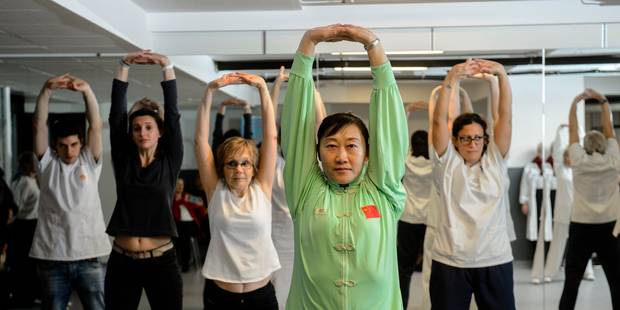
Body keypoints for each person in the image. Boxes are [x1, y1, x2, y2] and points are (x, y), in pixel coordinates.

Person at [281, 24, 408, 309]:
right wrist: (309, 41)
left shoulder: (384, 189)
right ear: (317, 152)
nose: (341, 156)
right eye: (330, 145)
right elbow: (295, 122)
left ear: (367, 154)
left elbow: (389, 125)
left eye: (351, 146)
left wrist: (372, 44)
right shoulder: (305, 188)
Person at [430, 58, 515, 309]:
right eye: (465, 139)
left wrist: (501, 75)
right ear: (455, 141)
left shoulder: (495, 161)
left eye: (478, 138)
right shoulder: (447, 164)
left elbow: (505, 118)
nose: (472, 143)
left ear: (485, 139)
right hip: (451, 262)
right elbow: (439, 122)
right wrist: (451, 79)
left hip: (494, 259)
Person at [105, 50, 183, 310]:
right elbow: (116, 117)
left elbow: (172, 114)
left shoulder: (170, 162)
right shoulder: (124, 161)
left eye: (149, 127)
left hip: (161, 262)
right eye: (137, 128)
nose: (142, 132)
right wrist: (124, 64)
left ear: (160, 132)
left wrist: (167, 65)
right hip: (121, 261)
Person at [195, 71, 279, 309]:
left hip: (260, 295)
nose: (239, 169)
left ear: (254, 167)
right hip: (221, 297)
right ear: (223, 168)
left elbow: (271, 138)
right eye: (231, 163)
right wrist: (209, 91)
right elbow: (201, 143)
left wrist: (263, 89)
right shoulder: (216, 191)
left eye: (244, 163)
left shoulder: (262, 188)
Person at [31, 74, 111, 310]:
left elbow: (95, 126)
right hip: (53, 258)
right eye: (63, 146)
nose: (69, 151)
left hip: (89, 257)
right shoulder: (47, 165)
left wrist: (87, 91)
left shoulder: (88, 161)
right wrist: (46, 90)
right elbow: (39, 125)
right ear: (55, 146)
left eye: (74, 144)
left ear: (81, 144)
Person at [559, 89, 620, 310]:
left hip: (582, 227)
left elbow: (573, 130)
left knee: (572, 283)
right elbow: (610, 129)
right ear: (605, 144)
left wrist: (575, 103)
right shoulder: (614, 158)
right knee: (616, 283)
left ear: (585, 146)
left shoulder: (578, 160)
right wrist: (603, 101)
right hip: (610, 228)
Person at [544, 127, 594, 282]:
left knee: (584, 242)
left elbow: (584, 149)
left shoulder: (581, 169)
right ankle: (550, 272)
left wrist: (579, 130)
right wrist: (560, 131)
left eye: (570, 156)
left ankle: (587, 271)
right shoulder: (560, 170)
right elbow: (557, 153)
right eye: (566, 156)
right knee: (558, 242)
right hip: (563, 212)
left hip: (580, 212)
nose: (568, 158)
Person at [398, 126, 431, 309]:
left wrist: (407, 113)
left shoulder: (406, 162)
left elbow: (398, 142)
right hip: (430, 219)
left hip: (408, 218)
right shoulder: (435, 163)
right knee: (431, 268)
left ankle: (401, 305)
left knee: (404, 269)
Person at [519, 143, 556, 284]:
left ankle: (549, 261)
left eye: (544, 151)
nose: (542, 154)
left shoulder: (550, 166)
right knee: (535, 230)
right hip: (535, 202)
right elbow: (524, 185)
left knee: (549, 231)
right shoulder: (530, 167)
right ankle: (536, 260)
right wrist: (524, 202)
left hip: (548, 202)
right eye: (540, 151)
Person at [8, 152, 40, 306]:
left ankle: (27, 295)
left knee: (26, 263)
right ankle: (24, 296)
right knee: (24, 263)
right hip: (24, 226)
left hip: (29, 225)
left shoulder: (28, 180)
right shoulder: (25, 182)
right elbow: (16, 207)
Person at [172, 177, 205, 272]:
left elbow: (200, 202)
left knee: (183, 238)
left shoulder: (187, 197)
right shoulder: (171, 198)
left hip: (190, 225)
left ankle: (185, 264)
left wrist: (183, 200)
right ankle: (181, 263)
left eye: (181, 185)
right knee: (179, 235)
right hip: (178, 225)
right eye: (178, 184)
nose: (180, 187)